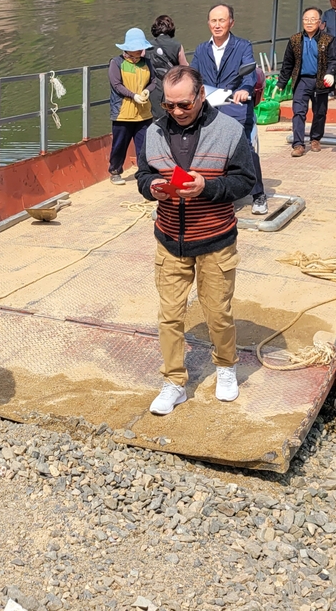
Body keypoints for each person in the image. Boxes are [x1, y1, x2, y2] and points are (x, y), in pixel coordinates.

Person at [135, 66, 256, 412]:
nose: (175, 111)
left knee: (218, 313)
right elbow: (143, 175)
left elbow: (245, 181)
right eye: (168, 105)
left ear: (201, 96)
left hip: (215, 240)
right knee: (169, 316)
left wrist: (208, 187)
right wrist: (151, 189)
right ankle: (174, 382)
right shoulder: (153, 133)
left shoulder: (230, 131)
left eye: (183, 104)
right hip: (170, 240)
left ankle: (226, 367)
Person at [189, 3, 268, 215]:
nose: (217, 25)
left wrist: (244, 89)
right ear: (208, 23)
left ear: (231, 22)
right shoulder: (201, 49)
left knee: (244, 149)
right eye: (213, 21)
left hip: (235, 105)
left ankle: (258, 194)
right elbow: (193, 76)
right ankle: (214, 193)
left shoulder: (242, 46)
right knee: (204, 149)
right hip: (209, 107)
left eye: (221, 20)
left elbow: (250, 72)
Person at [277, 7, 336, 157]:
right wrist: (281, 83)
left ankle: (315, 139)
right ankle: (298, 144)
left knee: (320, 112)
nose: (309, 22)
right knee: (298, 112)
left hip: (320, 82)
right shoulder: (295, 40)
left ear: (319, 22)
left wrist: (330, 74)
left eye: (313, 19)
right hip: (301, 80)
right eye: (306, 19)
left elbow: (334, 60)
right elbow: (288, 63)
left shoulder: (328, 40)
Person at [107, 28, 154, 185]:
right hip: (123, 112)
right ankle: (115, 171)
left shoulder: (147, 63)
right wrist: (133, 95)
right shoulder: (116, 63)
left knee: (144, 145)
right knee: (120, 144)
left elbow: (154, 81)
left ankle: (143, 172)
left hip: (143, 113)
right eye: (136, 50)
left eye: (141, 49)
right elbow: (116, 85)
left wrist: (147, 91)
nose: (139, 53)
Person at [146, 15, 189, 122]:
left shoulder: (147, 45)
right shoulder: (177, 45)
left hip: (154, 88)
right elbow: (185, 67)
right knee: (173, 116)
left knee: (157, 119)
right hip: (172, 86)